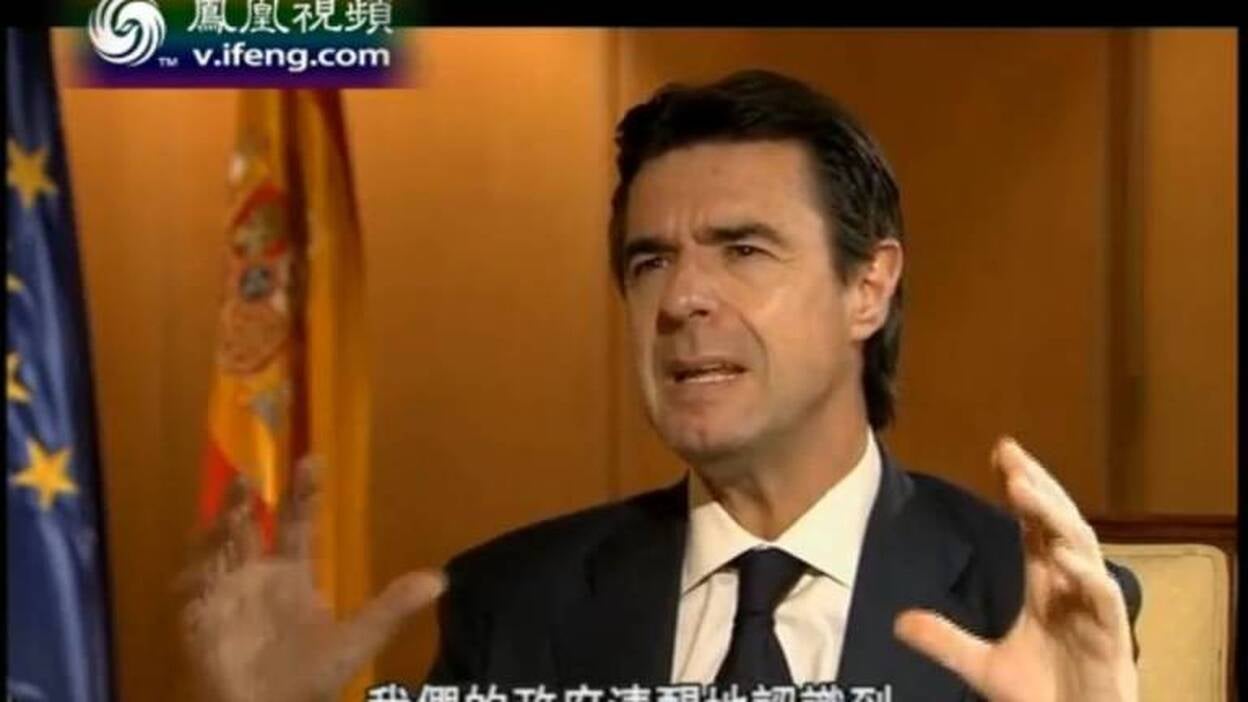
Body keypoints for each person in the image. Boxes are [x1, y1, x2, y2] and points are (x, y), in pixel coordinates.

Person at [183, 69, 1141, 702]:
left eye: (743, 250)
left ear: (868, 287)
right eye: (649, 262)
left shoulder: (1023, 602)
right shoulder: (513, 606)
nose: (681, 299)